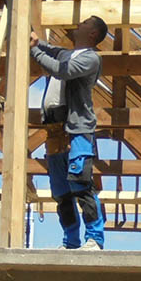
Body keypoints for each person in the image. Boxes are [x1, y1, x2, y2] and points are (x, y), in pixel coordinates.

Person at [29, 16, 108, 249]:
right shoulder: (67, 53)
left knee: (81, 183)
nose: (79, 24)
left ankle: (95, 239)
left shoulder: (91, 59)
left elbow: (62, 71)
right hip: (55, 132)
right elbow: (52, 49)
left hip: (77, 130)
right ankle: (71, 241)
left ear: (92, 34)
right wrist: (34, 37)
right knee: (61, 192)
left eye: (84, 23)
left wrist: (35, 51)